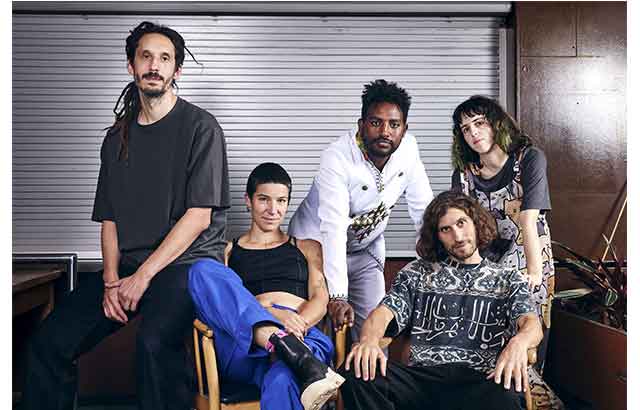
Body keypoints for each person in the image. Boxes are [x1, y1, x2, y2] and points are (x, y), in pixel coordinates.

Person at [21, 21, 230, 410]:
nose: (154, 65)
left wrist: (142, 277)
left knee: (153, 345)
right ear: (131, 65)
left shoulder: (201, 127)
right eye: (146, 56)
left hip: (186, 266)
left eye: (164, 58)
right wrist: (111, 281)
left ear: (177, 71)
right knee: (49, 344)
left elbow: (199, 217)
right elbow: (110, 218)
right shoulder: (117, 138)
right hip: (130, 269)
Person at [339, 190, 542, 410]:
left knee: (509, 393)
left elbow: (531, 324)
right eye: (446, 229)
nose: (458, 236)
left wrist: (518, 343)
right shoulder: (416, 273)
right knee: (356, 373)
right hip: (421, 381)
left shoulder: (507, 278)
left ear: (476, 223)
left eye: (461, 223)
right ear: (437, 236)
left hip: (477, 383)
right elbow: (384, 313)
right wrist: (369, 340)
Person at [188, 162, 344, 410]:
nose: (273, 210)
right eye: (264, 199)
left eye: (281, 201)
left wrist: (295, 327)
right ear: (248, 201)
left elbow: (320, 298)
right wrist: (271, 315)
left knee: (283, 379)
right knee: (201, 269)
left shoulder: (306, 247)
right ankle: (279, 342)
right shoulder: (228, 251)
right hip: (246, 346)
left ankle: (291, 350)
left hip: (302, 334)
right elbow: (217, 303)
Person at [288, 79, 433, 337]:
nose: (385, 131)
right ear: (361, 124)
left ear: (404, 129)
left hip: (364, 249)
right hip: (316, 249)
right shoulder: (336, 157)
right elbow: (333, 226)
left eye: (394, 124)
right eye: (376, 122)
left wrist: (435, 263)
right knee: (319, 335)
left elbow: (424, 210)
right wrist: (338, 296)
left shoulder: (409, 150)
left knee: (373, 332)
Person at [450, 95, 554, 360]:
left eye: (479, 123)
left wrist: (534, 273)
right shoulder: (464, 175)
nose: (473, 133)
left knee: (526, 342)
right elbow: (459, 228)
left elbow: (528, 220)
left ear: (496, 123)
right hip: (485, 262)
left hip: (528, 254)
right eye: (465, 129)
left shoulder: (529, 159)